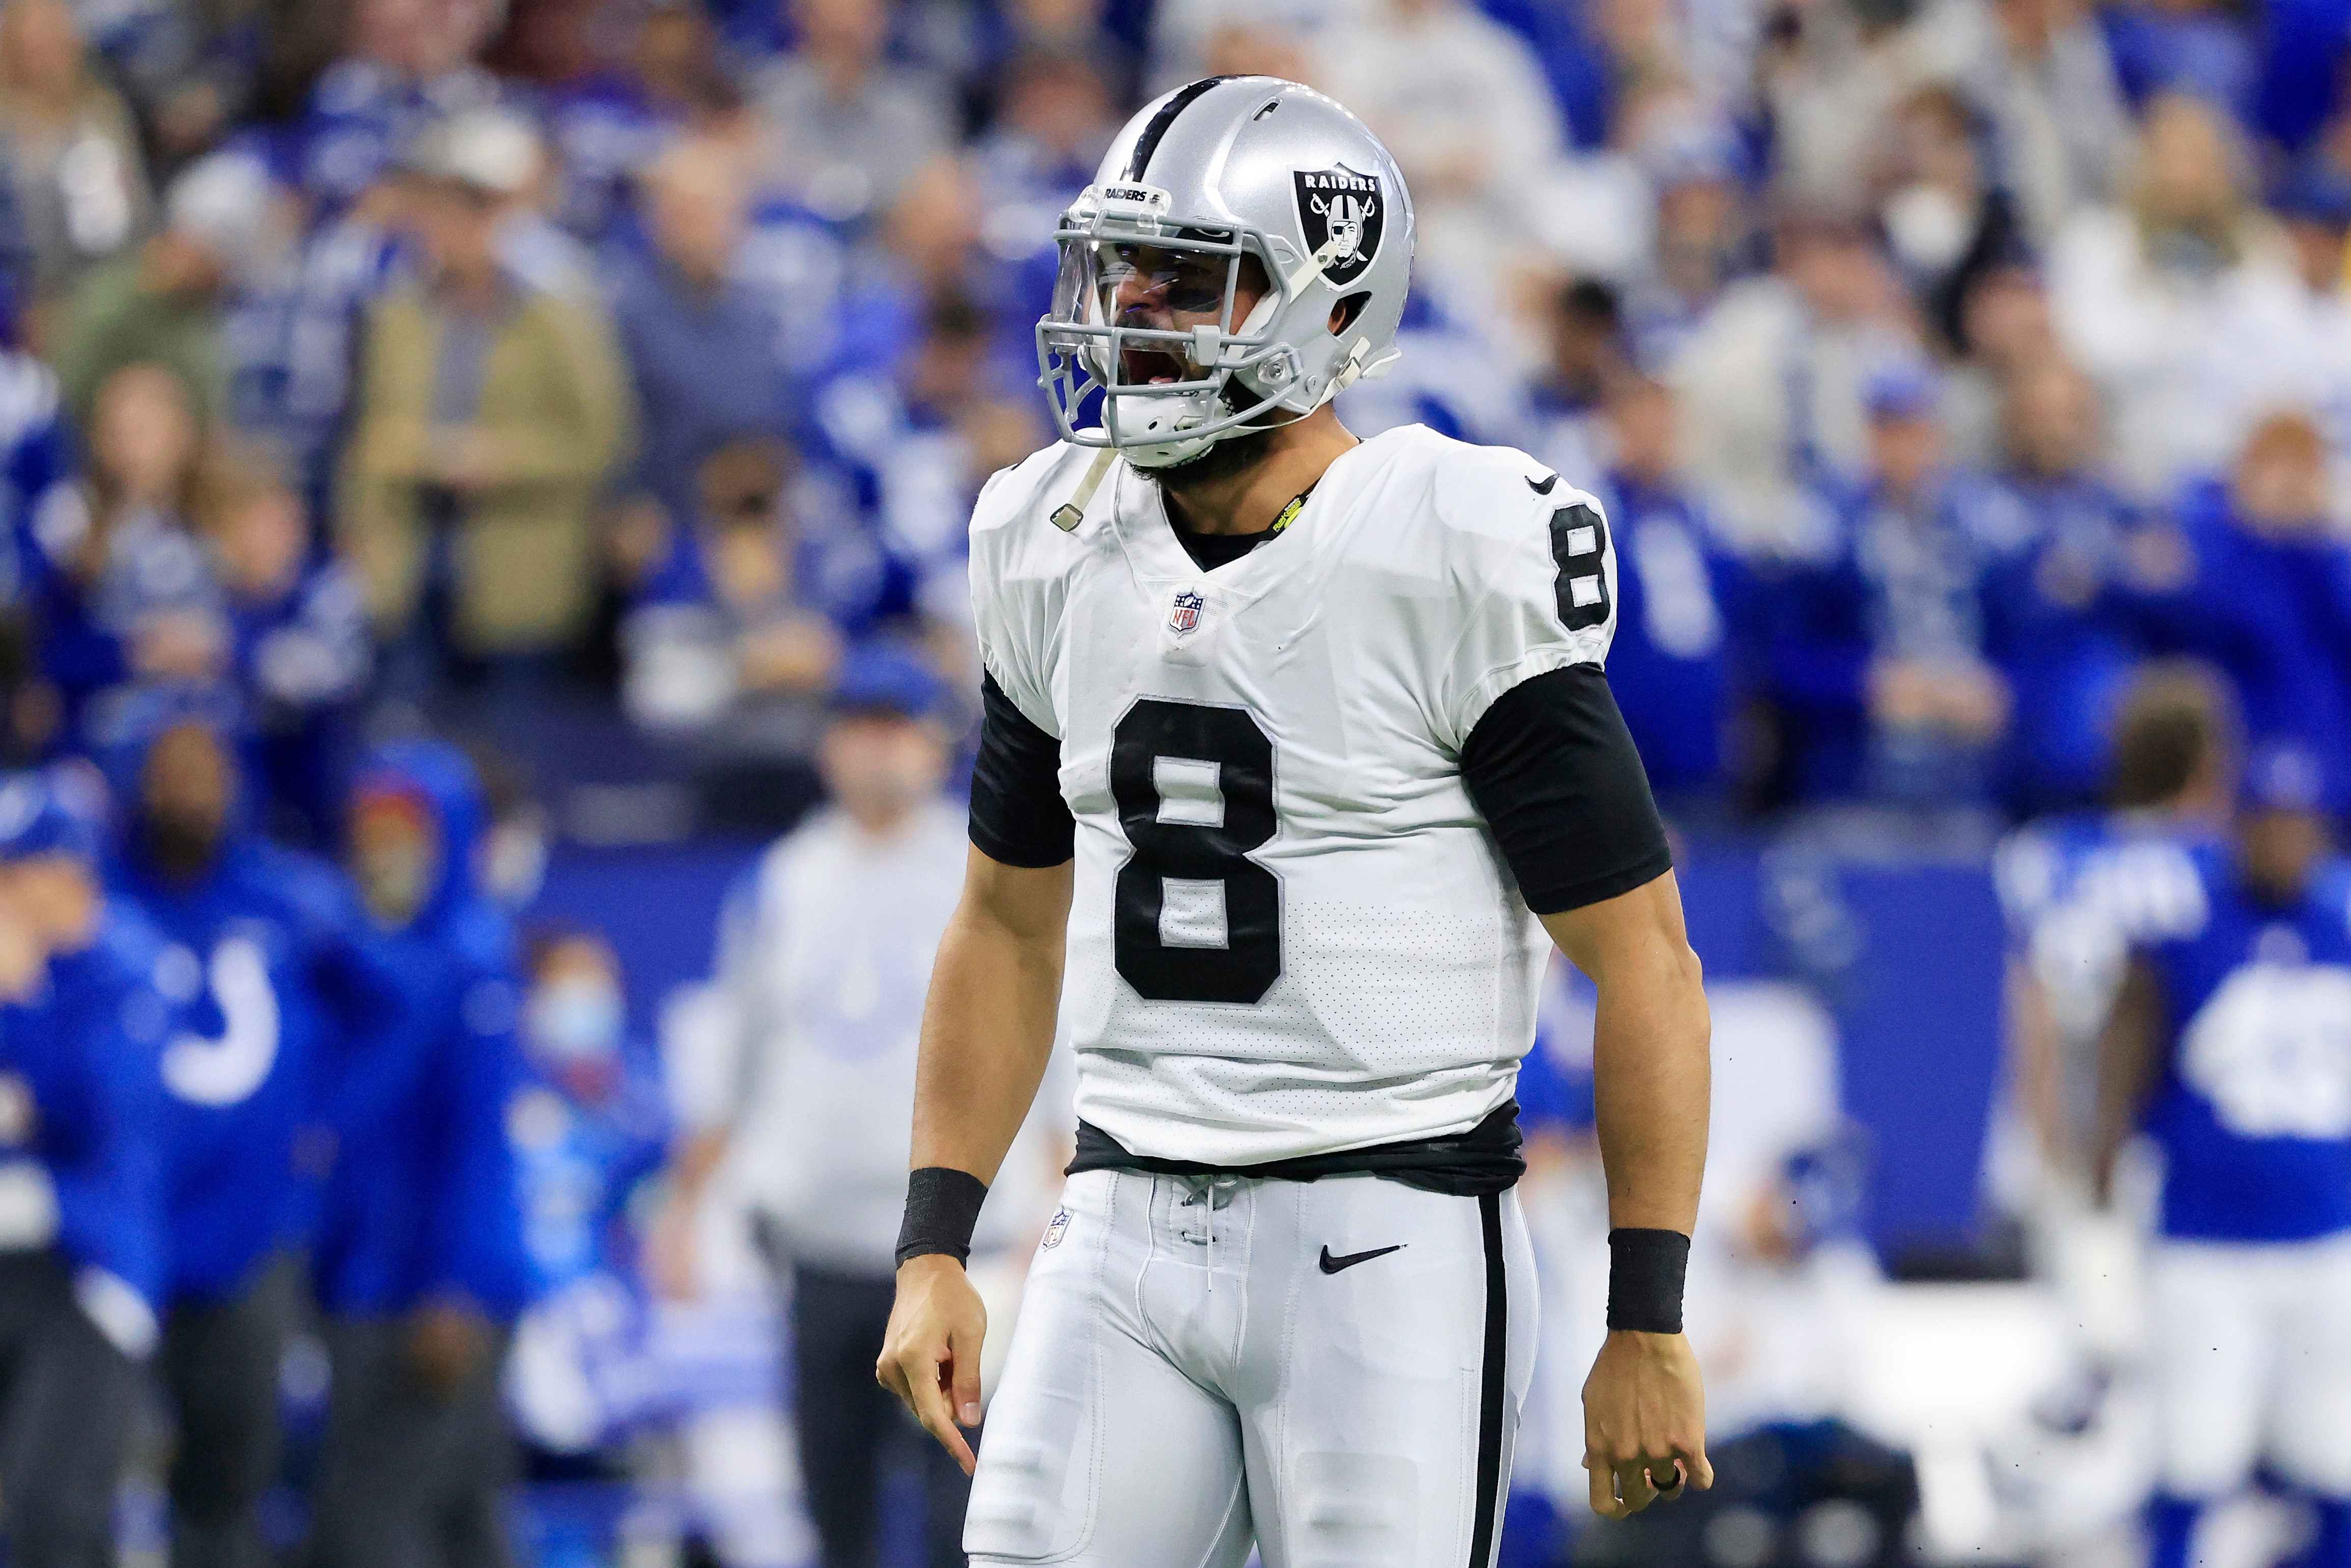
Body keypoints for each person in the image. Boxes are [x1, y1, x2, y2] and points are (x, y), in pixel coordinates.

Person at [876, 76, 1714, 1562]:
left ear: (1324, 308)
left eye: (1187, 277)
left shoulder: (1441, 546)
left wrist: (1644, 1315)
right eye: (1123, 266)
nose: (1130, 307)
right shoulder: (1050, 538)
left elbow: (1643, 953)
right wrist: (935, 1240)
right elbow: (1006, 920)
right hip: (1122, 1217)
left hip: (1386, 1231)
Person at [665, 644, 1013, 1566]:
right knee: (836, 1511)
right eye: (858, 728)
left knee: (963, 1519)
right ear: (828, 747)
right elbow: (732, 1059)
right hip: (820, 1250)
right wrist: (684, 1204)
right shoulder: (783, 882)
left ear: (935, 745)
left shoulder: (982, 870)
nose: (875, 751)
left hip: (960, 1255)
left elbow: (1043, 1041)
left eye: (895, 728)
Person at [98, 689, 396, 1568]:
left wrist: (328, 1123)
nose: (189, 791)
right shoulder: (96, 905)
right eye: (169, 770)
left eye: (207, 770)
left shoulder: (293, 903)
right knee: (70, 1478)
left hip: (250, 1238)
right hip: (113, 1238)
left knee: (229, 1490)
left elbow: (401, 1006)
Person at [2090, 742, 2351, 1568]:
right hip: (2205, 1237)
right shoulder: (2181, 932)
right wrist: (2101, 1154)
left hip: (2322, 1233)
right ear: (2239, 827)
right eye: (2268, 823)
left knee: (2332, 1456)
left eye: (2298, 825)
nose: (2283, 841)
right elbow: (2123, 1047)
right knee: (2190, 1453)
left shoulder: (2338, 930)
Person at [306, 739, 530, 1568]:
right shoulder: (358, 959)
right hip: (364, 1277)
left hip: (431, 1296)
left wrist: (453, 1290)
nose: (384, 846)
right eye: (369, 826)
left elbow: (476, 1146)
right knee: (460, 1516)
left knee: (379, 1523)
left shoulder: (472, 958)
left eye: (405, 826)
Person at [340, 108, 632, 699]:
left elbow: (602, 439)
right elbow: (369, 434)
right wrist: (360, 543)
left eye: (457, 213)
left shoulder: (556, 314)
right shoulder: (398, 313)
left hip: (516, 567)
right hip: (410, 562)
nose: (441, 230)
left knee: (513, 749)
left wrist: (499, 457)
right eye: (432, 213)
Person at [0, 768, 171, 1568]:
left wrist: (23, 998)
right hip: (18, 1268)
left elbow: (102, 1116)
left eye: (11, 874)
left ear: (64, 872)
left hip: (94, 1271)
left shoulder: (126, 967)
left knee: (53, 1514)